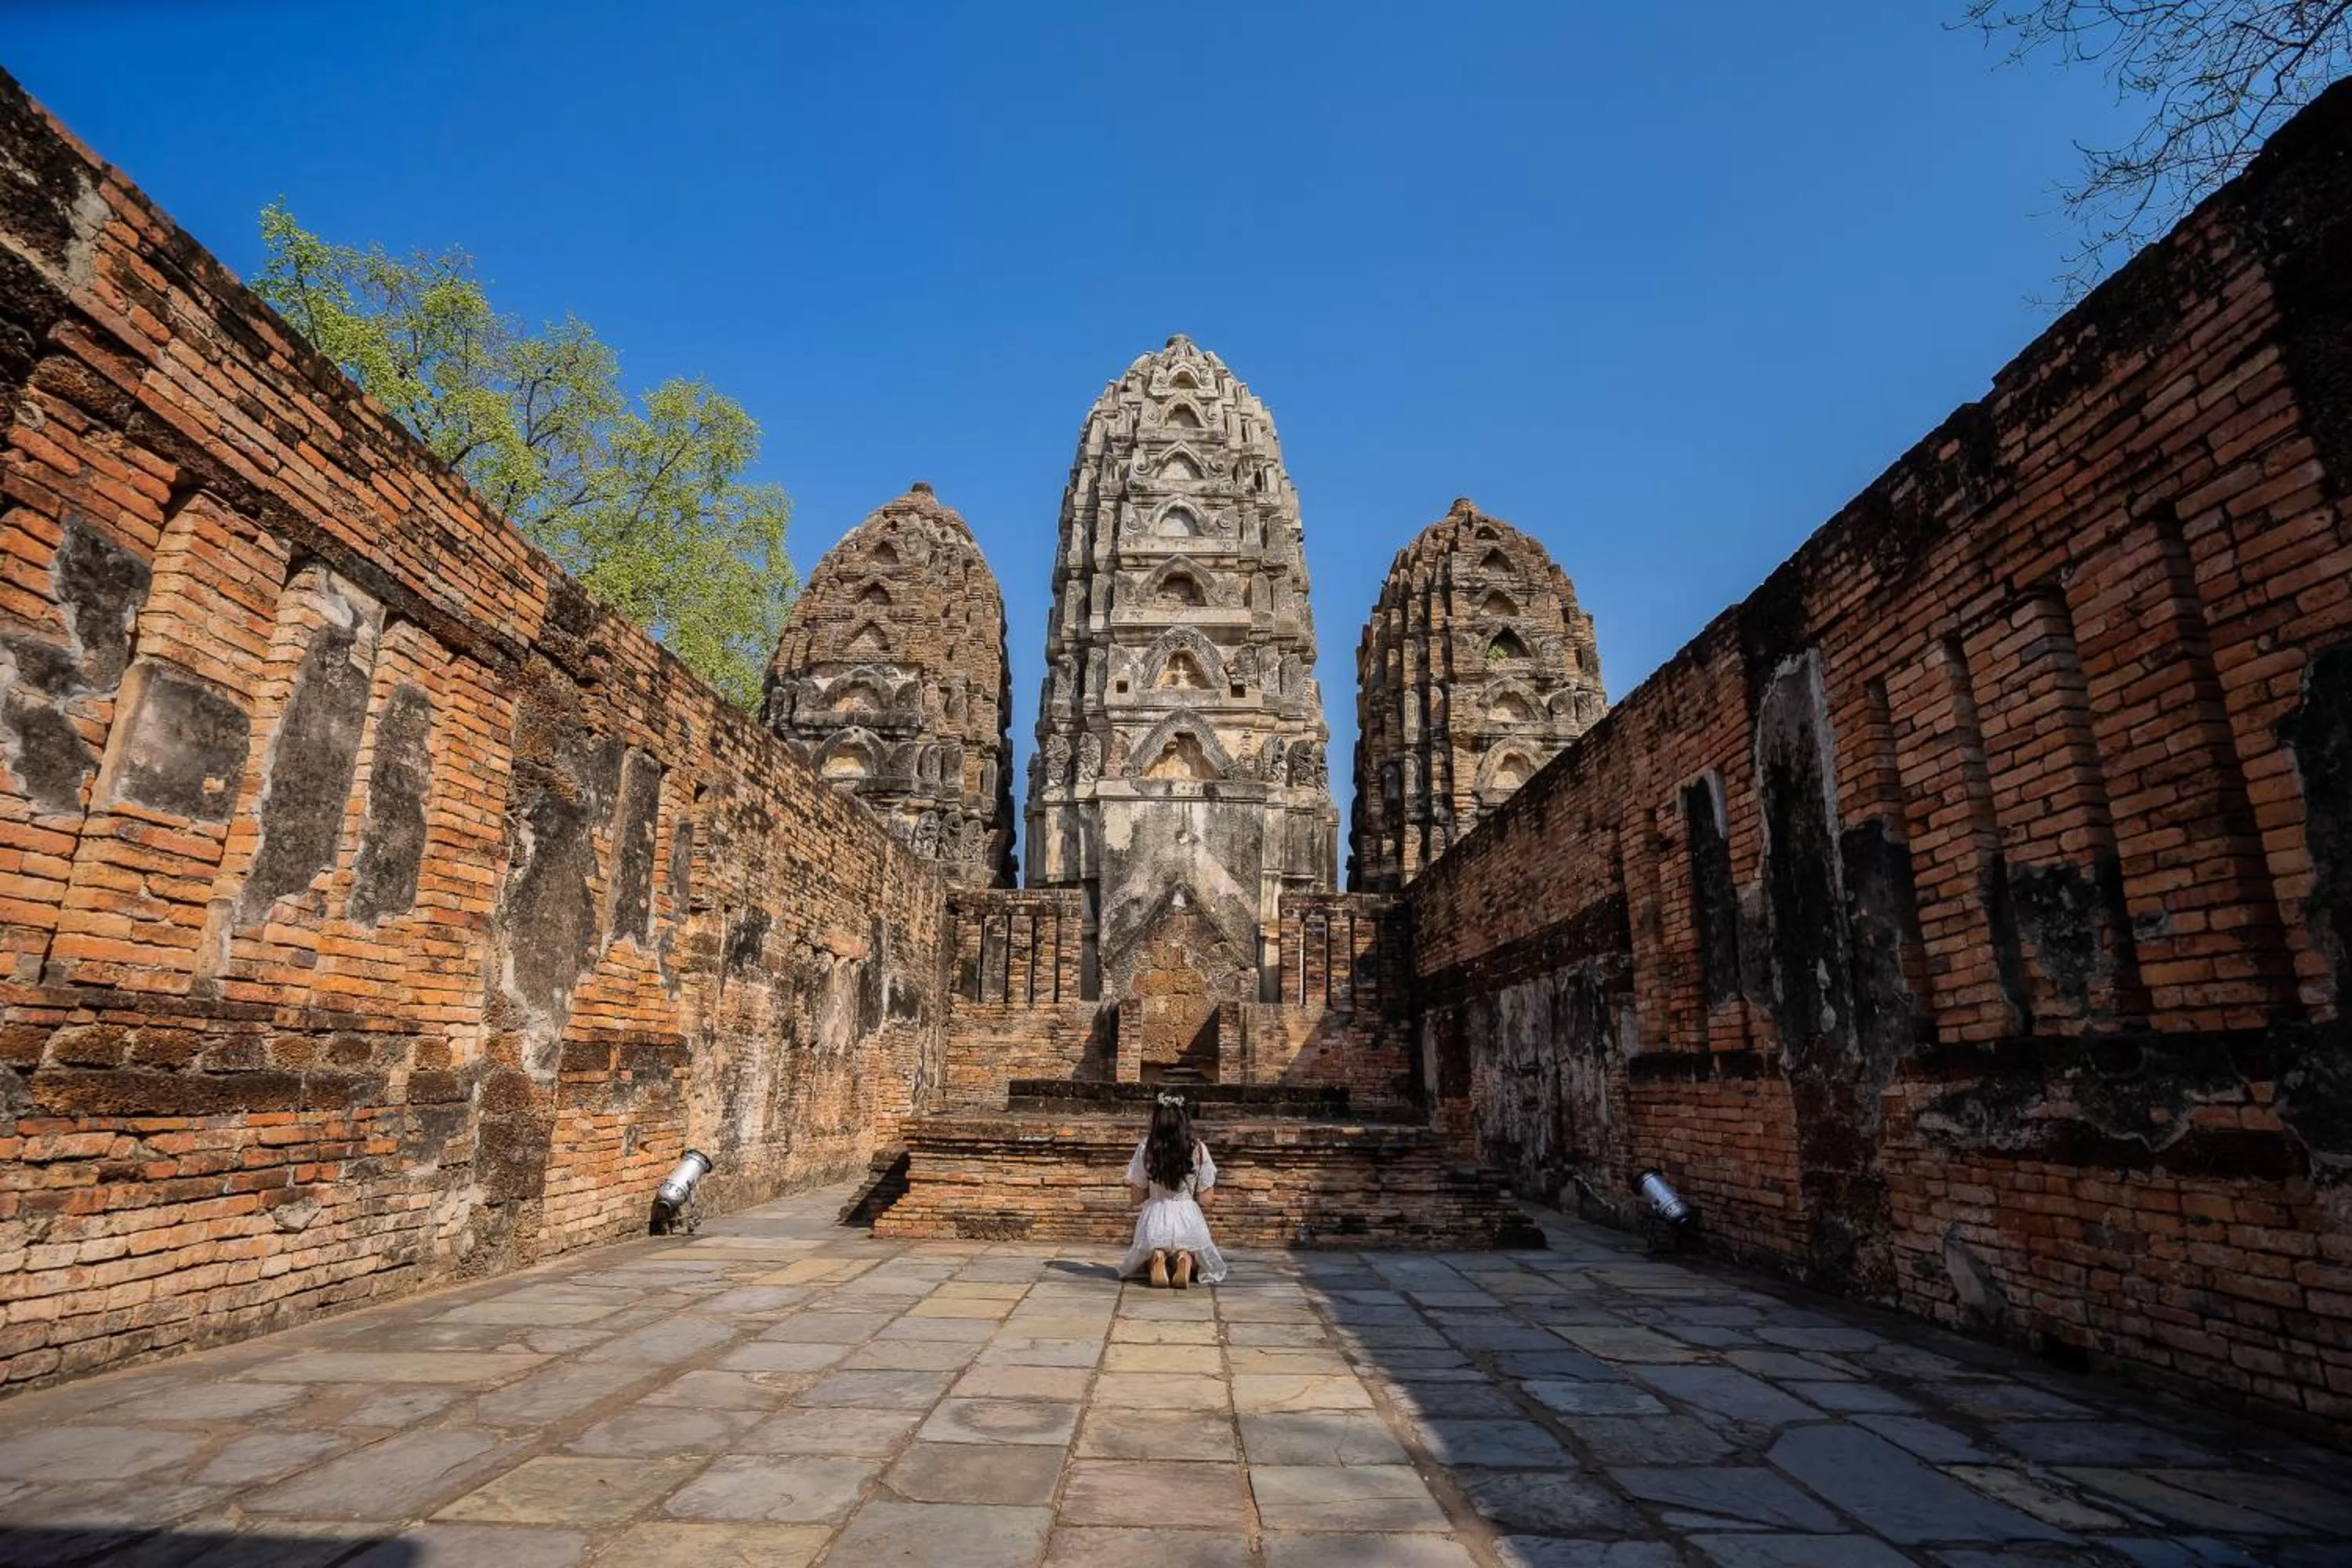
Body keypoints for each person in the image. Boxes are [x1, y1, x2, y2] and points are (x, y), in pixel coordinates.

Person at [1120, 1092, 1228, 1287]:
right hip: (1188, 1220)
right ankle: (1184, 1258)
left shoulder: (1146, 1148)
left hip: (1155, 1220)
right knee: (1201, 1265)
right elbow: (1205, 1199)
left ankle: (1158, 1256)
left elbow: (1136, 1197)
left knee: (1144, 1262)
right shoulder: (1198, 1148)